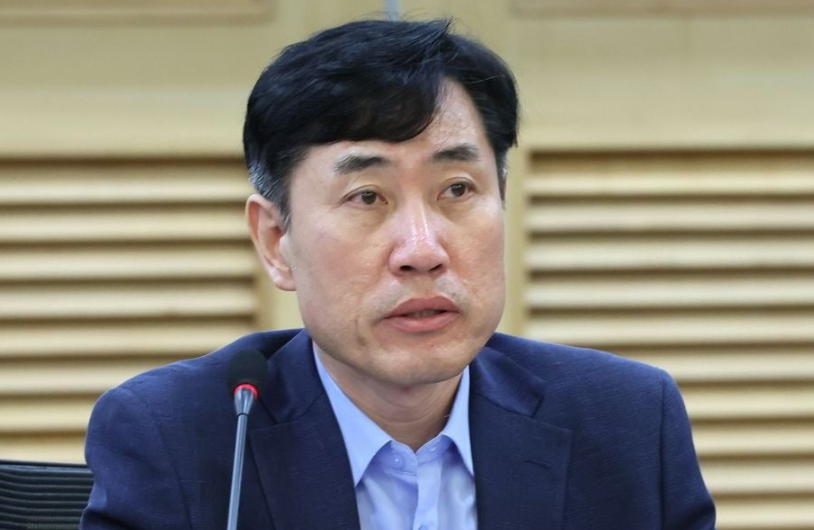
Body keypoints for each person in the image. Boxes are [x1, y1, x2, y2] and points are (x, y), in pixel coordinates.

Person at [81, 18, 716, 530]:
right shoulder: (177, 437)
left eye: (457, 189)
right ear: (276, 241)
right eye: (367, 197)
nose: (422, 249)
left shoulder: (626, 423)